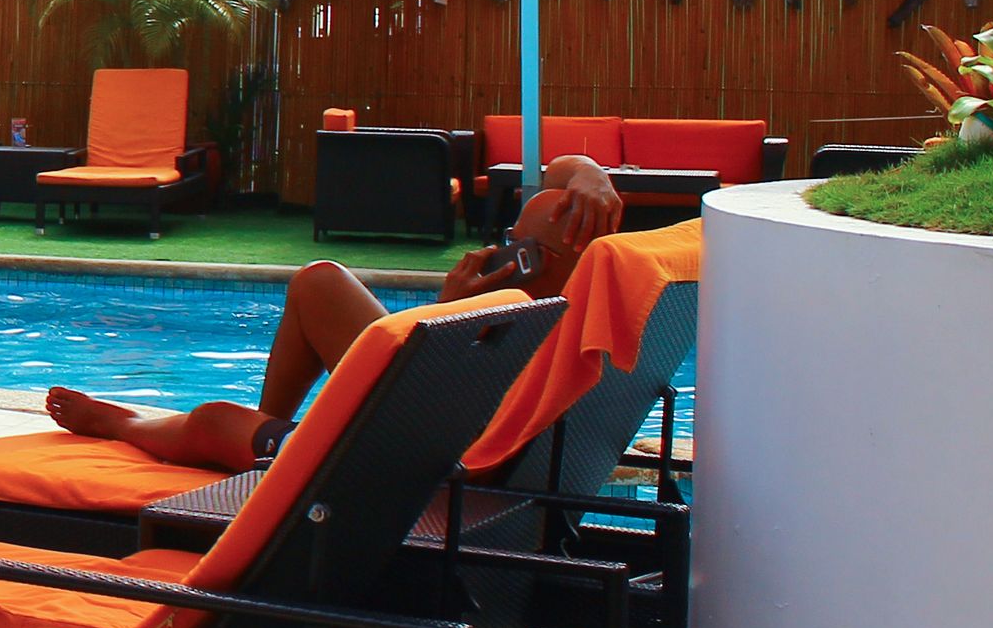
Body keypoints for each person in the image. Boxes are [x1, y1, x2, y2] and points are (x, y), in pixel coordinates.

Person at [38, 154, 628, 473]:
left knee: (213, 419)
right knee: (320, 281)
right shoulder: (598, 294)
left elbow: (439, 412)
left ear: (534, 260)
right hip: (432, 417)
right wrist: (588, 174)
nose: (500, 248)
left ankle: (123, 424)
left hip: (421, 468)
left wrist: (452, 313)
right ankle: (265, 434)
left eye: (512, 243)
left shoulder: (519, 322)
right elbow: (560, 169)